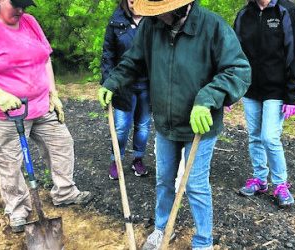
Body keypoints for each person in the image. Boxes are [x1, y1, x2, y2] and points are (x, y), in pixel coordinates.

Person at [98, 0, 251, 249]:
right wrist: (113, 81)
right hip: (166, 123)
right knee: (163, 180)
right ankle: (162, 229)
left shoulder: (213, 26)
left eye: (161, 11)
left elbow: (238, 70)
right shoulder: (151, 26)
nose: (156, 16)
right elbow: (133, 61)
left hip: (200, 126)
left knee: (195, 185)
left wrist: (208, 98)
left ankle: (203, 241)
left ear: (182, 6)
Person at [0, 0, 92, 233]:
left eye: (25, 5)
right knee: (9, 162)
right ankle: (18, 209)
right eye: (16, 4)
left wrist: (53, 93)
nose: (21, 10)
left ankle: (65, 192)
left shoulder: (29, 22)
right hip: (4, 114)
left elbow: (45, 58)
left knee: (61, 144)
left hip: (41, 105)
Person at [233, 0, 295, 207]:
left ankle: (281, 184)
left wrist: (292, 94)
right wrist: (231, 89)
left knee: (270, 137)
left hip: (277, 89)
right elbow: (234, 54)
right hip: (251, 88)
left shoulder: (287, 11)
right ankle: (259, 179)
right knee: (255, 136)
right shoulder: (244, 14)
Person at [101, 0, 151, 180]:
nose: (134, 3)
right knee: (121, 127)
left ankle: (138, 159)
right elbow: (108, 55)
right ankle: (116, 160)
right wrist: (108, 84)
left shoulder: (153, 19)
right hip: (123, 85)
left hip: (147, 85)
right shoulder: (116, 21)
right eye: (131, 0)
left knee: (143, 127)